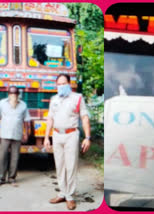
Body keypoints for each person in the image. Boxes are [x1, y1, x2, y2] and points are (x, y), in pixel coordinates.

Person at [44, 74, 91, 210]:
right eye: (58, 84)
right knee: (60, 166)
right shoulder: (54, 99)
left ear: (69, 84)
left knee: (71, 166)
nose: (61, 86)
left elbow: (84, 118)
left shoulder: (77, 98)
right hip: (57, 134)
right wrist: (47, 137)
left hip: (71, 135)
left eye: (63, 83)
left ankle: (70, 196)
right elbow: (50, 119)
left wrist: (87, 137)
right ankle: (62, 193)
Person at [0, 86, 30, 187]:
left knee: (15, 157)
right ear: (8, 94)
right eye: (11, 93)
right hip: (4, 134)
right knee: (2, 157)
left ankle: (12, 178)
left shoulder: (23, 105)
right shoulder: (2, 103)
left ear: (18, 95)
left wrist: (26, 133)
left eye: (15, 93)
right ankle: (0, 178)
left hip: (17, 134)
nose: (13, 95)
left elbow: (26, 120)